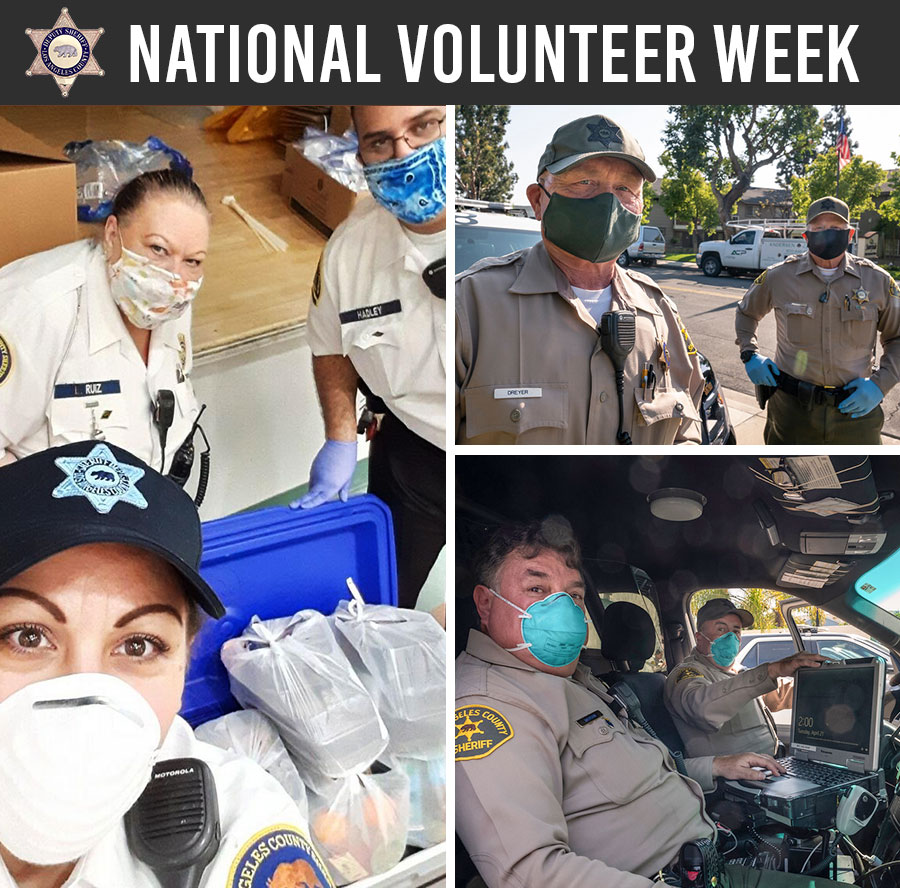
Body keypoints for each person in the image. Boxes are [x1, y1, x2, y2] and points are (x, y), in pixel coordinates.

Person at [456, 518, 875, 888]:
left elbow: (639, 772)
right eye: (536, 589)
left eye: (574, 595)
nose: (563, 608)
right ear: (485, 603)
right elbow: (530, 879)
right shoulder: (488, 705)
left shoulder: (580, 683)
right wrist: (770, 672)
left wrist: (717, 765)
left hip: (710, 869)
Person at [0, 441, 338, 888]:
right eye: (27, 637)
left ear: (183, 662)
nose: (84, 698)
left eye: (138, 645)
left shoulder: (238, 826)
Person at [455, 114, 705, 445]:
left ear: (641, 205)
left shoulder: (660, 312)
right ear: (538, 200)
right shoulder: (469, 306)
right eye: (585, 182)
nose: (608, 203)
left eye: (625, 188)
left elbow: (688, 433)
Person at [300, 105, 446, 610]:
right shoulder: (349, 253)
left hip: (505, 457)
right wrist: (340, 438)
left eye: (423, 126)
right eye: (380, 142)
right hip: (412, 452)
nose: (404, 153)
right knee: (379, 603)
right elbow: (329, 344)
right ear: (360, 155)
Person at [0, 169, 207, 475]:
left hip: (151, 495)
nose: (174, 278)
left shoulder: (173, 302)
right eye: (158, 249)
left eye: (192, 261)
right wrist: (34, 499)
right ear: (112, 234)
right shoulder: (39, 310)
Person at [735, 195, 900, 444]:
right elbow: (746, 313)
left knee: (860, 469)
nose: (827, 233)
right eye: (819, 228)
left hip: (855, 411)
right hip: (792, 411)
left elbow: (897, 338)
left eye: (836, 228)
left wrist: (880, 385)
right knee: (784, 468)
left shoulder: (878, 281)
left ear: (850, 234)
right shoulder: (778, 277)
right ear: (806, 236)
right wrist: (749, 353)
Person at [665, 597, 824, 758]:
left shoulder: (737, 671)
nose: (731, 637)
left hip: (774, 762)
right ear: (699, 638)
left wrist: (822, 687)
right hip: (736, 772)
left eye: (736, 631)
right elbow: (702, 709)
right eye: (721, 629)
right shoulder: (686, 674)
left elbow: (775, 694)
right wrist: (772, 670)